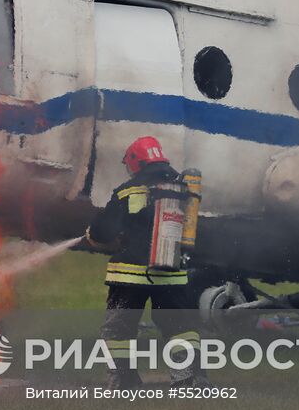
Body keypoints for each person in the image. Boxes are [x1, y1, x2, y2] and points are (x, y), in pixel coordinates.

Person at [86, 136, 211, 390]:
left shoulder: (127, 191)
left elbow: (103, 233)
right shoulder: (182, 188)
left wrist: (92, 234)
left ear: (136, 162)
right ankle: (188, 380)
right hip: (171, 270)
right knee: (181, 327)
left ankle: (123, 382)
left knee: (119, 330)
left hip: (129, 275)